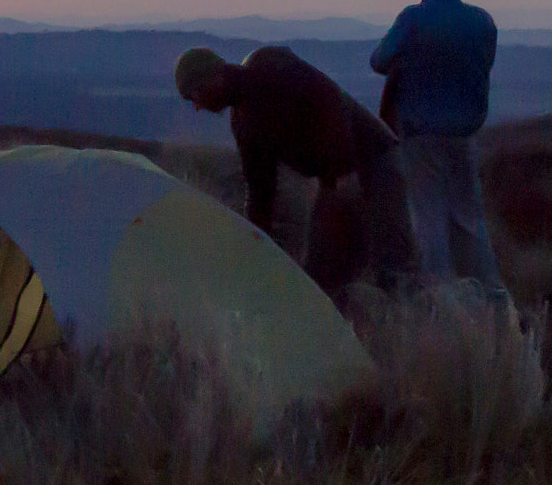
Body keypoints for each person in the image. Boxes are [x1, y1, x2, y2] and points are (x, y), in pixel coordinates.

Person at [174, 44, 418, 298]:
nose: (197, 106)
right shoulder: (244, 123)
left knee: (392, 262)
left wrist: (344, 173)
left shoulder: (268, 65)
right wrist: (254, 242)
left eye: (196, 94)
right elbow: (260, 192)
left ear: (215, 75)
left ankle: (418, 322)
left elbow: (329, 102)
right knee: (322, 273)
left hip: (375, 159)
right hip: (337, 179)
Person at [371, 0, 504, 295]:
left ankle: (444, 299)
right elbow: (484, 63)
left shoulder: (413, 19)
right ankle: (490, 295)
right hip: (465, 134)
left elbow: (380, 61)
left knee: (429, 218)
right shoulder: (482, 21)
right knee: (469, 219)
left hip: (421, 134)